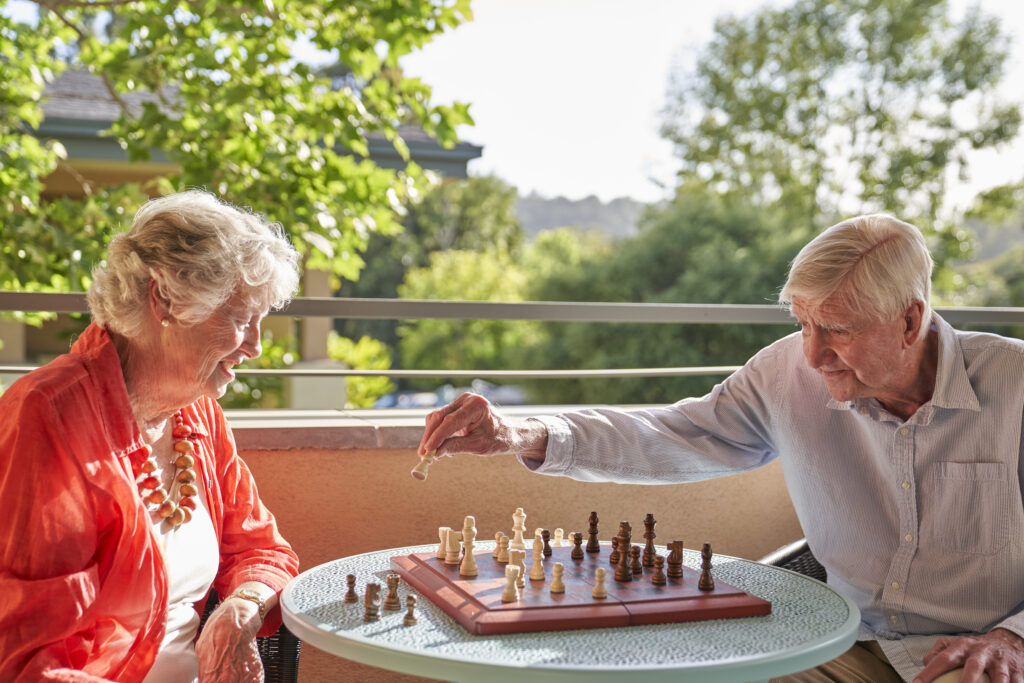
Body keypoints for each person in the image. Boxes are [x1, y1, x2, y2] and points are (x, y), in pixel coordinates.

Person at [418, 214, 1024, 683]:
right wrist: (521, 434)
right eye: (803, 323)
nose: (812, 356)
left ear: (911, 322)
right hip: (841, 643)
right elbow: (674, 435)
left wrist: (1014, 637)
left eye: (837, 330)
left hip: (977, 655)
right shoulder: (786, 372)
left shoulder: (1015, 384)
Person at [0, 190, 302, 682]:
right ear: (164, 299)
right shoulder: (48, 417)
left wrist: (241, 606)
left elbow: (262, 549)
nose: (256, 346)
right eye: (242, 318)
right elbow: (31, 664)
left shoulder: (196, 412)